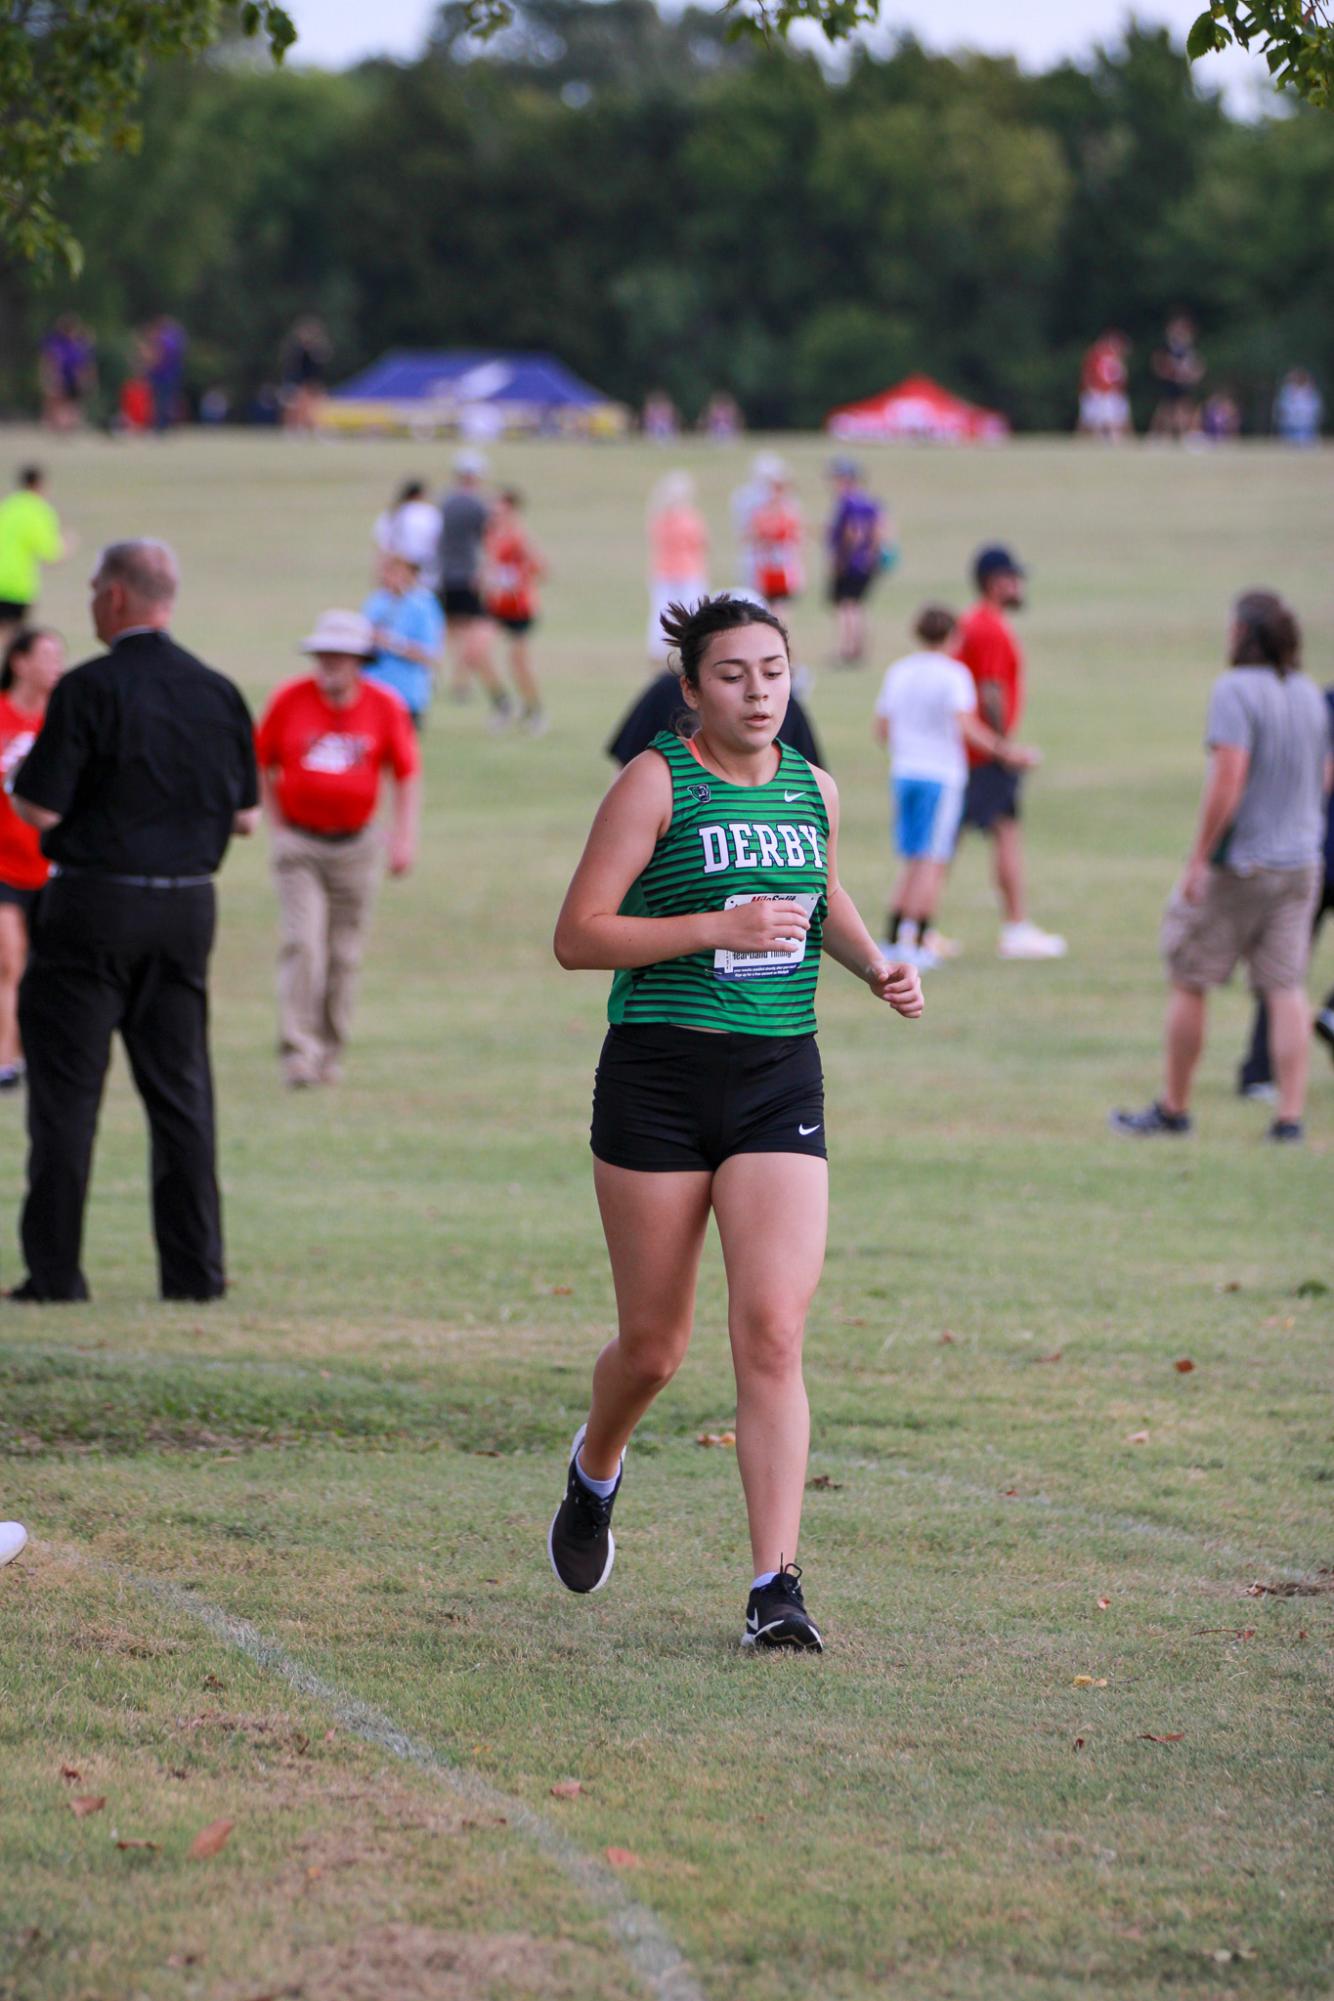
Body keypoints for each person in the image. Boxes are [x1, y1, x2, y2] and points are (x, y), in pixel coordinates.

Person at [549, 593, 924, 1651]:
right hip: (657, 1081)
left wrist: (871, 966)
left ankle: (774, 1587)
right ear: (690, 689)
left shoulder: (815, 789)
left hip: (775, 1078)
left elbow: (823, 893)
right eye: (732, 675)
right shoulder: (654, 782)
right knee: (655, 1349)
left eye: (771, 670)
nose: (757, 691)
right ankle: (594, 1470)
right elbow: (578, 936)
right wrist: (713, 924)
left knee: (770, 1330)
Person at [7, 540, 258, 1303]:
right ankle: (194, 1274)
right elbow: (246, 816)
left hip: (92, 903)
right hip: (186, 905)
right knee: (181, 1094)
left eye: (92, 589)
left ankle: (55, 1274)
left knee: (67, 1095)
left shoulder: (87, 689)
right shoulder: (216, 690)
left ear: (115, 597)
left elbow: (39, 806)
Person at [1111, 591, 1332, 1146]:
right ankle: (1289, 1119)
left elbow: (1229, 775)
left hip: (1243, 863)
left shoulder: (1234, 690)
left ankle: (1174, 1110)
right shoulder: (1308, 693)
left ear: (1245, 634)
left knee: (1190, 977)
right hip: (1302, 861)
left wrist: (1200, 857)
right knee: (1286, 988)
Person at [254, 609, 420, 1089]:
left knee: (344, 953)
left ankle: (330, 1049)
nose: (329, 665)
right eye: (323, 656)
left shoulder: (385, 706)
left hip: (357, 845)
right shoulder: (288, 700)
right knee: (303, 944)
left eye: (340, 657)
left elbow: (405, 773)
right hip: (300, 845)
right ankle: (298, 1051)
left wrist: (403, 837)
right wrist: (279, 827)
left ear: (359, 661)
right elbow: (261, 762)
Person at [874, 605, 1038, 970]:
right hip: (939, 775)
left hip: (904, 772)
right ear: (952, 637)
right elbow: (967, 726)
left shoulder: (899, 671)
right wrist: (1005, 751)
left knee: (912, 856)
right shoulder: (954, 675)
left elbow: (882, 728)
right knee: (933, 858)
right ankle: (917, 941)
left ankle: (891, 936)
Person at [953, 546, 1066, 960]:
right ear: (995, 582)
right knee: (993, 835)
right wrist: (1005, 749)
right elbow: (991, 690)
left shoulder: (974, 622)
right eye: (1013, 578)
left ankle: (918, 925)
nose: (1019, 586)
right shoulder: (989, 628)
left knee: (959, 836)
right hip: (983, 754)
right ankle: (1015, 927)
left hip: (972, 750)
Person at [1237, 678, 1334, 1099]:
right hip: (1311, 851)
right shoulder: (1320, 702)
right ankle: (1261, 1070)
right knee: (1284, 969)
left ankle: (1260, 1071)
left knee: (1284, 967)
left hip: (1304, 848)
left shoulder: (1319, 700)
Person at [0, 628, 66, 1090]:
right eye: (45, 657)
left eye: (59, 658)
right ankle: (6, 1058)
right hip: (2, 864)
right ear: (19, 663)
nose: (54, 667)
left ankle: (30, 1052)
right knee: (10, 960)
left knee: (47, 968)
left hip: (50, 866)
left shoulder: (64, 723)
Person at [436, 451, 509, 723]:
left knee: (456, 636)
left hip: (444, 579)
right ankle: (485, 692)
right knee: (473, 642)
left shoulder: (443, 502)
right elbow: (490, 538)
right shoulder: (479, 506)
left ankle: (460, 683)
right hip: (468, 579)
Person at [484, 489, 548, 735]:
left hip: (520, 608)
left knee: (518, 664)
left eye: (501, 511)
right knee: (478, 651)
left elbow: (542, 569)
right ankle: (502, 703)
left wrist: (520, 578)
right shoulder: (490, 537)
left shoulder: (520, 539)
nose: (496, 515)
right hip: (496, 607)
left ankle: (535, 710)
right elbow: (490, 568)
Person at [362, 550, 444, 730]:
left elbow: (430, 655)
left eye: (395, 571)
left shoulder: (423, 605)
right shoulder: (376, 601)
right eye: (386, 571)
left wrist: (391, 643)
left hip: (406, 696)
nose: (388, 577)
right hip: (371, 691)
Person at [826, 459, 888, 667]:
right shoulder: (871, 502)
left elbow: (852, 532)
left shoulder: (847, 502)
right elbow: (880, 530)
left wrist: (842, 557)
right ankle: (860, 648)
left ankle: (847, 649)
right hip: (866, 563)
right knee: (859, 606)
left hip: (850, 562)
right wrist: (871, 554)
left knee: (846, 606)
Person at [0, 468, 69, 648]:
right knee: (13, 640)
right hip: (16, 585)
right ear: (39, 485)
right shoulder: (39, 511)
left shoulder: (7, 506)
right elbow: (51, 554)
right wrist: (67, 545)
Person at [646, 472, 708, 664]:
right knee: (664, 613)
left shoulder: (684, 519)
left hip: (687, 573)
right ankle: (662, 650)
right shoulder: (670, 519)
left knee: (689, 612)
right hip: (671, 573)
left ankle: (689, 648)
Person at [747, 471, 804, 609]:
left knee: (782, 605)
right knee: (766, 605)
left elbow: (797, 539)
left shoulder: (789, 512)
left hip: (784, 567)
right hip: (766, 566)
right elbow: (753, 538)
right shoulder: (760, 513)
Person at [373, 480, 442, 591]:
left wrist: (381, 573)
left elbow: (383, 547)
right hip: (422, 570)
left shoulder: (391, 514)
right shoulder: (428, 512)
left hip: (395, 572)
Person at [730, 452, 784, 589]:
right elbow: (745, 531)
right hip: (756, 557)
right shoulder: (746, 497)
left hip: (775, 558)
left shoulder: (781, 500)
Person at [38, 316, 97, 432]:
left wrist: (87, 379)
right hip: (61, 378)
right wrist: (49, 377)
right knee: (57, 401)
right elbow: (49, 361)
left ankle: (69, 425)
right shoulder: (55, 343)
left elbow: (85, 364)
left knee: (73, 403)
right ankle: (55, 423)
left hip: (73, 379)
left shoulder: (80, 344)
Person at [1150, 313, 1204, 439]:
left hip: (1183, 382)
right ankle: (1159, 434)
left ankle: (1186, 434)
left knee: (1185, 407)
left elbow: (1196, 365)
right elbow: (1159, 362)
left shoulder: (1188, 348)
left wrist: (1194, 375)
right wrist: (1166, 373)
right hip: (1171, 381)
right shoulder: (1167, 347)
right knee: (1166, 409)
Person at [1077, 331, 1132, 441]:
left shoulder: (1114, 357)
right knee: (1090, 420)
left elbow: (1118, 377)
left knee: (1115, 419)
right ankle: (1088, 440)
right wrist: (1091, 388)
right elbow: (1088, 373)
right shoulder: (1096, 355)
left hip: (1111, 392)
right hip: (1098, 391)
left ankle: (1114, 439)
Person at [281, 317, 331, 431]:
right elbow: (295, 368)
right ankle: (295, 427)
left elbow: (319, 367)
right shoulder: (297, 350)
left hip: (313, 382)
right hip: (300, 381)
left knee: (316, 406)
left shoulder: (317, 350)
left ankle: (316, 427)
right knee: (297, 406)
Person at [145, 316, 188, 433]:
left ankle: (160, 426)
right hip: (172, 375)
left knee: (160, 401)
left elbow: (157, 357)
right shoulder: (175, 340)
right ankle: (165, 424)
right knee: (168, 401)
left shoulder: (162, 340)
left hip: (161, 375)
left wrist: (148, 368)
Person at [1273, 368, 1323, 447]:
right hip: (1290, 423)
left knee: (1307, 446)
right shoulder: (1287, 391)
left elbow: (1315, 407)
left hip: (1306, 423)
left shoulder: (1310, 391)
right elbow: (1282, 406)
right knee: (1289, 445)